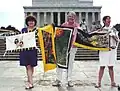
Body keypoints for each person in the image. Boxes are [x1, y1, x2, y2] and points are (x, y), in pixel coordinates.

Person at [52, 11, 80, 87]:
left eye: (72, 16)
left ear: (75, 17)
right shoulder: (63, 25)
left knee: (70, 63)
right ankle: (58, 79)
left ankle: (69, 80)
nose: (71, 17)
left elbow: (79, 37)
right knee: (60, 62)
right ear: (67, 17)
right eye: (69, 16)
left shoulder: (77, 26)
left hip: (73, 48)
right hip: (63, 48)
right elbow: (59, 36)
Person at [95, 16, 119, 88]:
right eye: (107, 19)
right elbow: (97, 40)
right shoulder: (101, 30)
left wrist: (113, 35)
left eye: (110, 19)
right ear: (104, 21)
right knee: (102, 66)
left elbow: (118, 40)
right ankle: (98, 82)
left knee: (111, 67)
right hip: (104, 50)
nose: (109, 20)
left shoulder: (114, 30)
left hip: (112, 50)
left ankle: (113, 82)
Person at [19, 15, 38, 89]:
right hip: (24, 51)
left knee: (31, 66)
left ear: (34, 22)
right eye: (29, 21)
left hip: (33, 50)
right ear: (27, 22)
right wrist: (20, 43)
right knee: (28, 66)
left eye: (32, 21)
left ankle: (29, 80)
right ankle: (31, 82)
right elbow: (20, 39)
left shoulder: (37, 30)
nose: (31, 22)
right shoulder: (23, 30)